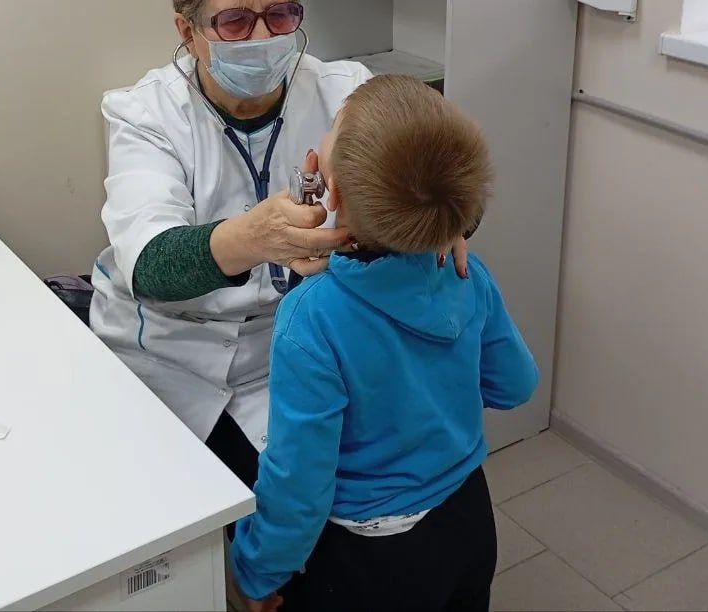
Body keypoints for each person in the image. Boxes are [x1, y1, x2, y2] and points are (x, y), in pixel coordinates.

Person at [90, 0, 468, 491]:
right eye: (235, 22)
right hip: (172, 353)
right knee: (216, 498)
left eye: (280, 15)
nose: (262, 37)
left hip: (303, 343)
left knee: (376, 482)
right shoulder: (146, 115)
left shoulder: (345, 92)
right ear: (187, 31)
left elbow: (447, 168)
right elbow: (151, 265)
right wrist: (253, 237)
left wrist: (447, 217)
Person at [230, 74, 539, 612]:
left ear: (333, 193)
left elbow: (299, 482)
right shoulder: (466, 273)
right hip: (467, 518)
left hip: (370, 559)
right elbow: (515, 385)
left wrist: (256, 573)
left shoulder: (312, 317)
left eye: (334, 126)